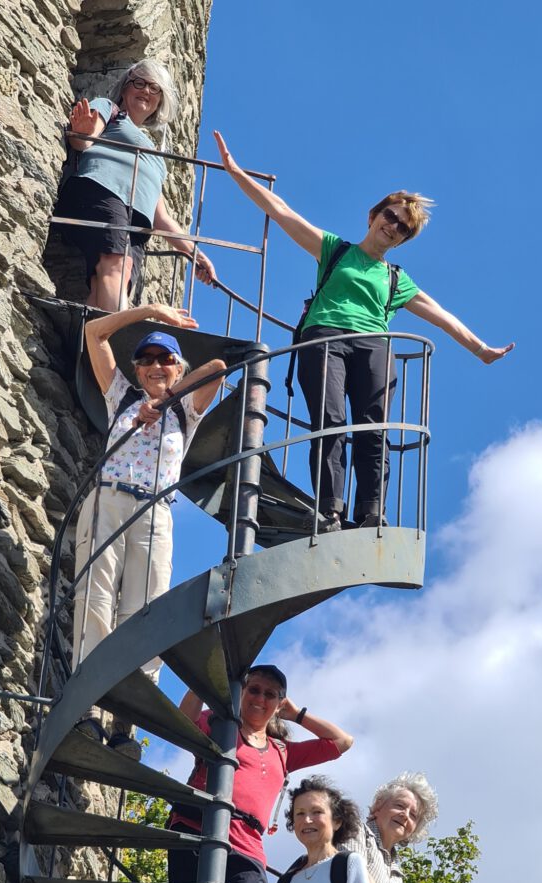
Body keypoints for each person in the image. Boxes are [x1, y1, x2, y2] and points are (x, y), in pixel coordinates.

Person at [213, 130, 514, 530]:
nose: (393, 226)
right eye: (391, 216)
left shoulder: (395, 278)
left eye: (403, 228)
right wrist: (235, 172)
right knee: (331, 422)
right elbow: (282, 211)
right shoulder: (335, 250)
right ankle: (330, 508)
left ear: (403, 240)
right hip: (325, 338)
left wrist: (481, 349)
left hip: (373, 346)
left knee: (374, 429)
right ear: (373, 216)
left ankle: (371, 512)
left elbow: (441, 315)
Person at [71, 302, 226, 748]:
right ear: (136, 369)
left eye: (166, 358)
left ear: (178, 367)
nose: (157, 366)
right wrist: (150, 310)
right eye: (147, 359)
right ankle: (86, 708)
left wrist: (165, 400)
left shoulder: (184, 410)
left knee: (147, 610)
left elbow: (217, 368)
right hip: (108, 499)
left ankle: (128, 718)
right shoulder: (120, 395)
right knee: (95, 599)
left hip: (156, 510)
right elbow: (95, 333)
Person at [168, 665, 353, 883]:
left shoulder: (282, 751)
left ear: (279, 703)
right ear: (242, 692)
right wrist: (208, 682)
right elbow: (183, 720)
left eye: (270, 694)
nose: (260, 699)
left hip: (248, 846)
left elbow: (341, 742)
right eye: (253, 689)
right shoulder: (218, 724)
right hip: (198, 829)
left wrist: (296, 713)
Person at [54, 58, 216, 311]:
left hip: (137, 221)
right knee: (116, 265)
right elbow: (83, 141)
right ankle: (118, 332)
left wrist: (195, 253)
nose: (146, 91)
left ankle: (92, 335)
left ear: (160, 101)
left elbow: (161, 217)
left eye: (154, 88)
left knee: (118, 275)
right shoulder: (108, 108)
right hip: (100, 191)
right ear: (125, 87)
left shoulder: (156, 157)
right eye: (139, 83)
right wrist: (82, 133)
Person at [340, 772, 438, 883]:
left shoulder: (396, 873)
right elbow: (356, 873)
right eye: (399, 806)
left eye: (413, 815)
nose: (405, 815)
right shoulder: (355, 830)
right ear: (378, 806)